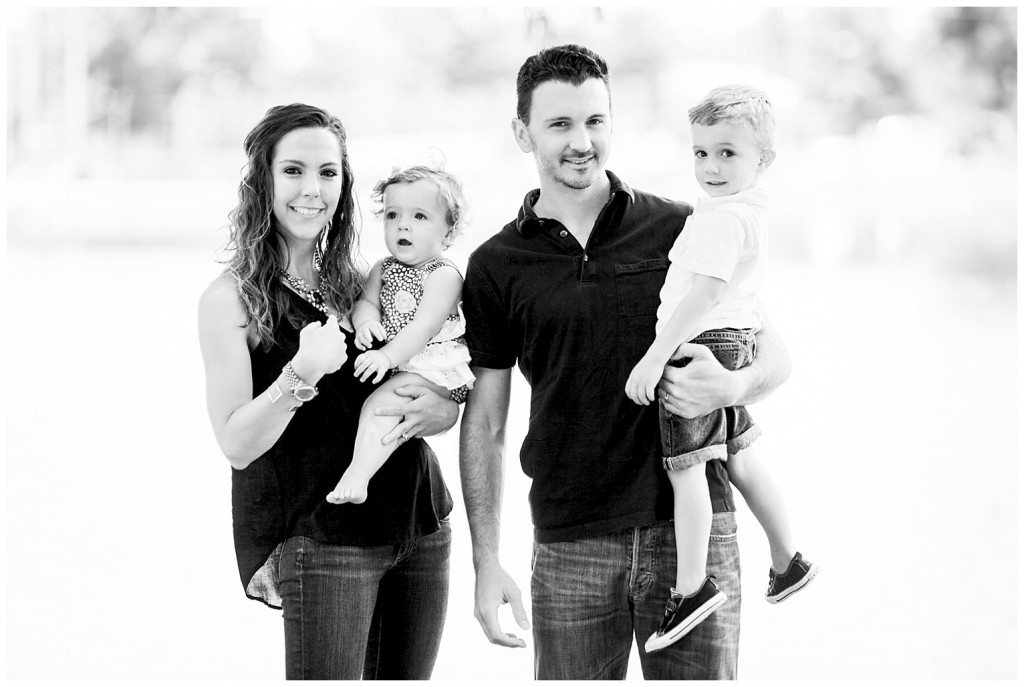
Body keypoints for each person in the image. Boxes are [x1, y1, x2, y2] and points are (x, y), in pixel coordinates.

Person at [459, 45, 791, 680]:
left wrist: (731, 385)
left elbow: (774, 353)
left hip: (693, 535)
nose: (581, 140)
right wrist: (485, 560)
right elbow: (488, 423)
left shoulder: (683, 225)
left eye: (595, 121)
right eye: (560, 124)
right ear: (522, 131)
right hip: (569, 543)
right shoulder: (496, 265)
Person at [197, 103, 459, 680]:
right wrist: (301, 375)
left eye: (328, 172)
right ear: (261, 181)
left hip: (421, 523)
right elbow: (236, 444)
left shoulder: (361, 281)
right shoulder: (231, 299)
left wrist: (442, 410)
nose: (311, 189)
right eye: (293, 170)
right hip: (326, 542)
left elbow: (429, 370)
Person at [625, 85, 817, 654]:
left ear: (765, 159)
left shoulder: (721, 221)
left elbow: (701, 297)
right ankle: (787, 559)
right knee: (740, 457)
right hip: (729, 342)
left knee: (687, 468)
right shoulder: (746, 213)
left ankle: (691, 586)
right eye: (701, 152)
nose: (710, 166)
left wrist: (657, 355)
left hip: (698, 346)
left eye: (727, 152)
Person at [328, 164, 474, 505]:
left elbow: (423, 327)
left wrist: (386, 356)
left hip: (434, 365)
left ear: (448, 234)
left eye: (420, 216)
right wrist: (366, 321)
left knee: (381, 405)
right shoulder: (383, 267)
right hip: (403, 360)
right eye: (393, 215)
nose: (403, 225)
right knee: (387, 405)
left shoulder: (444, 275)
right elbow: (366, 301)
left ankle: (358, 474)